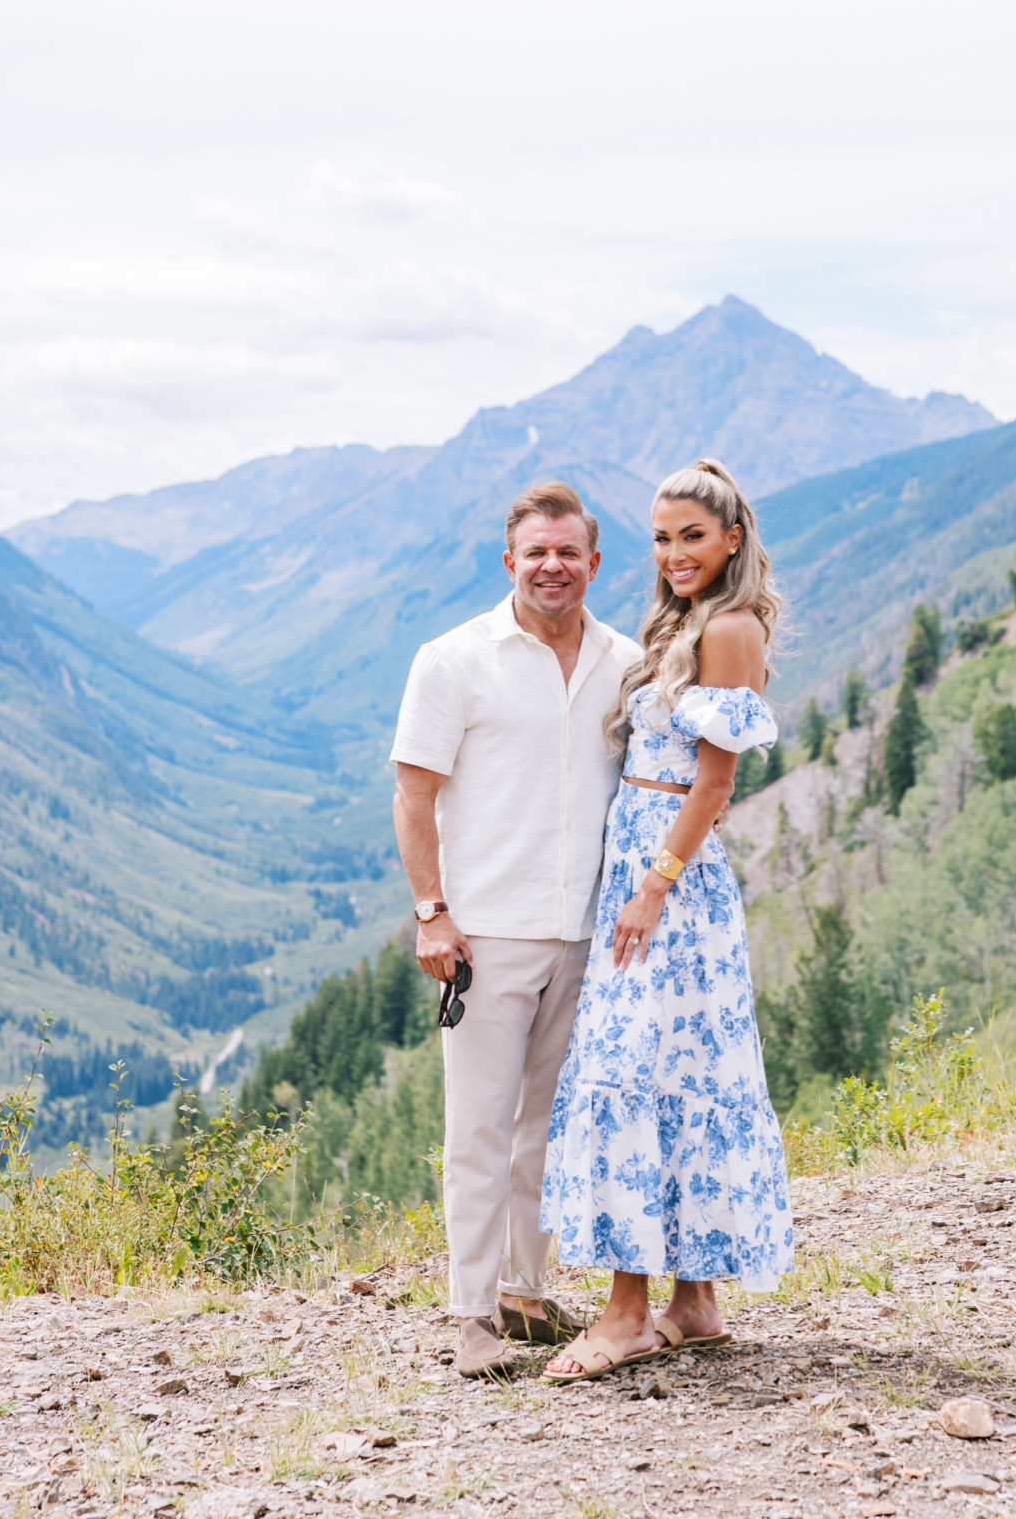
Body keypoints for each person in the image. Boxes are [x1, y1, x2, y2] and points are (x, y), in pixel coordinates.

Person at [540, 458, 793, 1382]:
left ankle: (626, 1313)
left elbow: (717, 781)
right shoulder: (686, 624)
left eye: (692, 535)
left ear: (732, 539)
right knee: (678, 1070)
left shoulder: (726, 629)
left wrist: (653, 884)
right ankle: (693, 1302)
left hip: (669, 882)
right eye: (661, 537)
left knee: (632, 1069)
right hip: (651, 869)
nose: (675, 553)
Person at [390, 481, 642, 1379]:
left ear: (593, 564)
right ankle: (470, 1321)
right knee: (479, 1129)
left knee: (547, 1125)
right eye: (536, 551)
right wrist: (431, 912)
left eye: (568, 552)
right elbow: (413, 795)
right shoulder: (454, 660)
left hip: (586, 932)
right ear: (509, 561)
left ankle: (525, 1294)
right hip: (485, 933)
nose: (552, 566)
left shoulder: (625, 659)